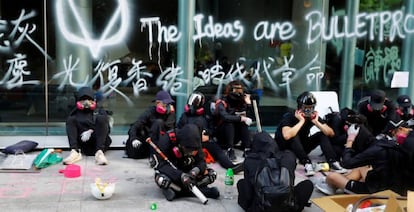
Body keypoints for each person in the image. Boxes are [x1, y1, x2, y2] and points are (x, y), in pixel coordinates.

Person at [315, 120, 409, 195]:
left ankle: (336, 184)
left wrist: (350, 140)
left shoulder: (378, 148)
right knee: (362, 167)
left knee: (332, 176)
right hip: (395, 186)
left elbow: (347, 163)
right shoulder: (404, 146)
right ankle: (342, 182)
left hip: (376, 191)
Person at [274, 91, 346, 176]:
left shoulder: (312, 117)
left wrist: (317, 122)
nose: (308, 110)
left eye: (311, 107)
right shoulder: (289, 116)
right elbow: (287, 136)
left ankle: (332, 162)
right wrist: (301, 121)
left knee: (321, 134)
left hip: (302, 147)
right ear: (300, 107)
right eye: (305, 107)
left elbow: (331, 133)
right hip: (286, 148)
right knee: (294, 135)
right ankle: (307, 163)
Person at [237, 132, 313, 212]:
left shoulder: (250, 159)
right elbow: (291, 180)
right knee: (308, 184)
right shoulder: (289, 156)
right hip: (287, 206)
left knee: (242, 183)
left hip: (260, 208)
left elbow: (249, 188)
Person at [177, 91, 244, 174]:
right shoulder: (184, 116)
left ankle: (231, 167)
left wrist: (208, 135)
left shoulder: (206, 115)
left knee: (217, 150)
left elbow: (213, 129)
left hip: (204, 141)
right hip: (189, 142)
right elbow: (178, 130)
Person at [152, 123, 220, 201]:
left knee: (211, 174)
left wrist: (194, 172)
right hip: (172, 172)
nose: (192, 153)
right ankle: (202, 191)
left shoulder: (196, 142)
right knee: (162, 180)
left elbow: (201, 162)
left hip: (189, 172)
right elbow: (161, 165)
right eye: (189, 151)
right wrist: (181, 175)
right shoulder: (167, 139)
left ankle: (178, 192)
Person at [63, 86, 112, 165]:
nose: (86, 102)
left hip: (98, 143)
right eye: (83, 100)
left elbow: (107, 130)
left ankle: (99, 154)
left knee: (101, 119)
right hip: (83, 144)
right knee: (70, 120)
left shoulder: (99, 111)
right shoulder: (75, 113)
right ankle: (74, 152)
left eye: (89, 99)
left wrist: (91, 131)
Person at [125, 90, 176, 161]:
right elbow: (135, 125)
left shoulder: (170, 113)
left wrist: (170, 114)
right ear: (157, 103)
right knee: (134, 152)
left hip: (161, 142)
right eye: (164, 103)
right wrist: (133, 139)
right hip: (148, 141)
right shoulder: (150, 112)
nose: (166, 106)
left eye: (168, 104)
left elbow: (169, 129)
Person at [214, 80, 253, 161]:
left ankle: (247, 149)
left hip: (236, 136)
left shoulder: (242, 101)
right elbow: (225, 117)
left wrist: (248, 104)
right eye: (236, 89)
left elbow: (250, 119)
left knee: (243, 123)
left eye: (240, 90)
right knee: (230, 122)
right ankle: (230, 150)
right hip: (222, 134)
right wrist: (240, 118)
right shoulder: (222, 102)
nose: (238, 92)